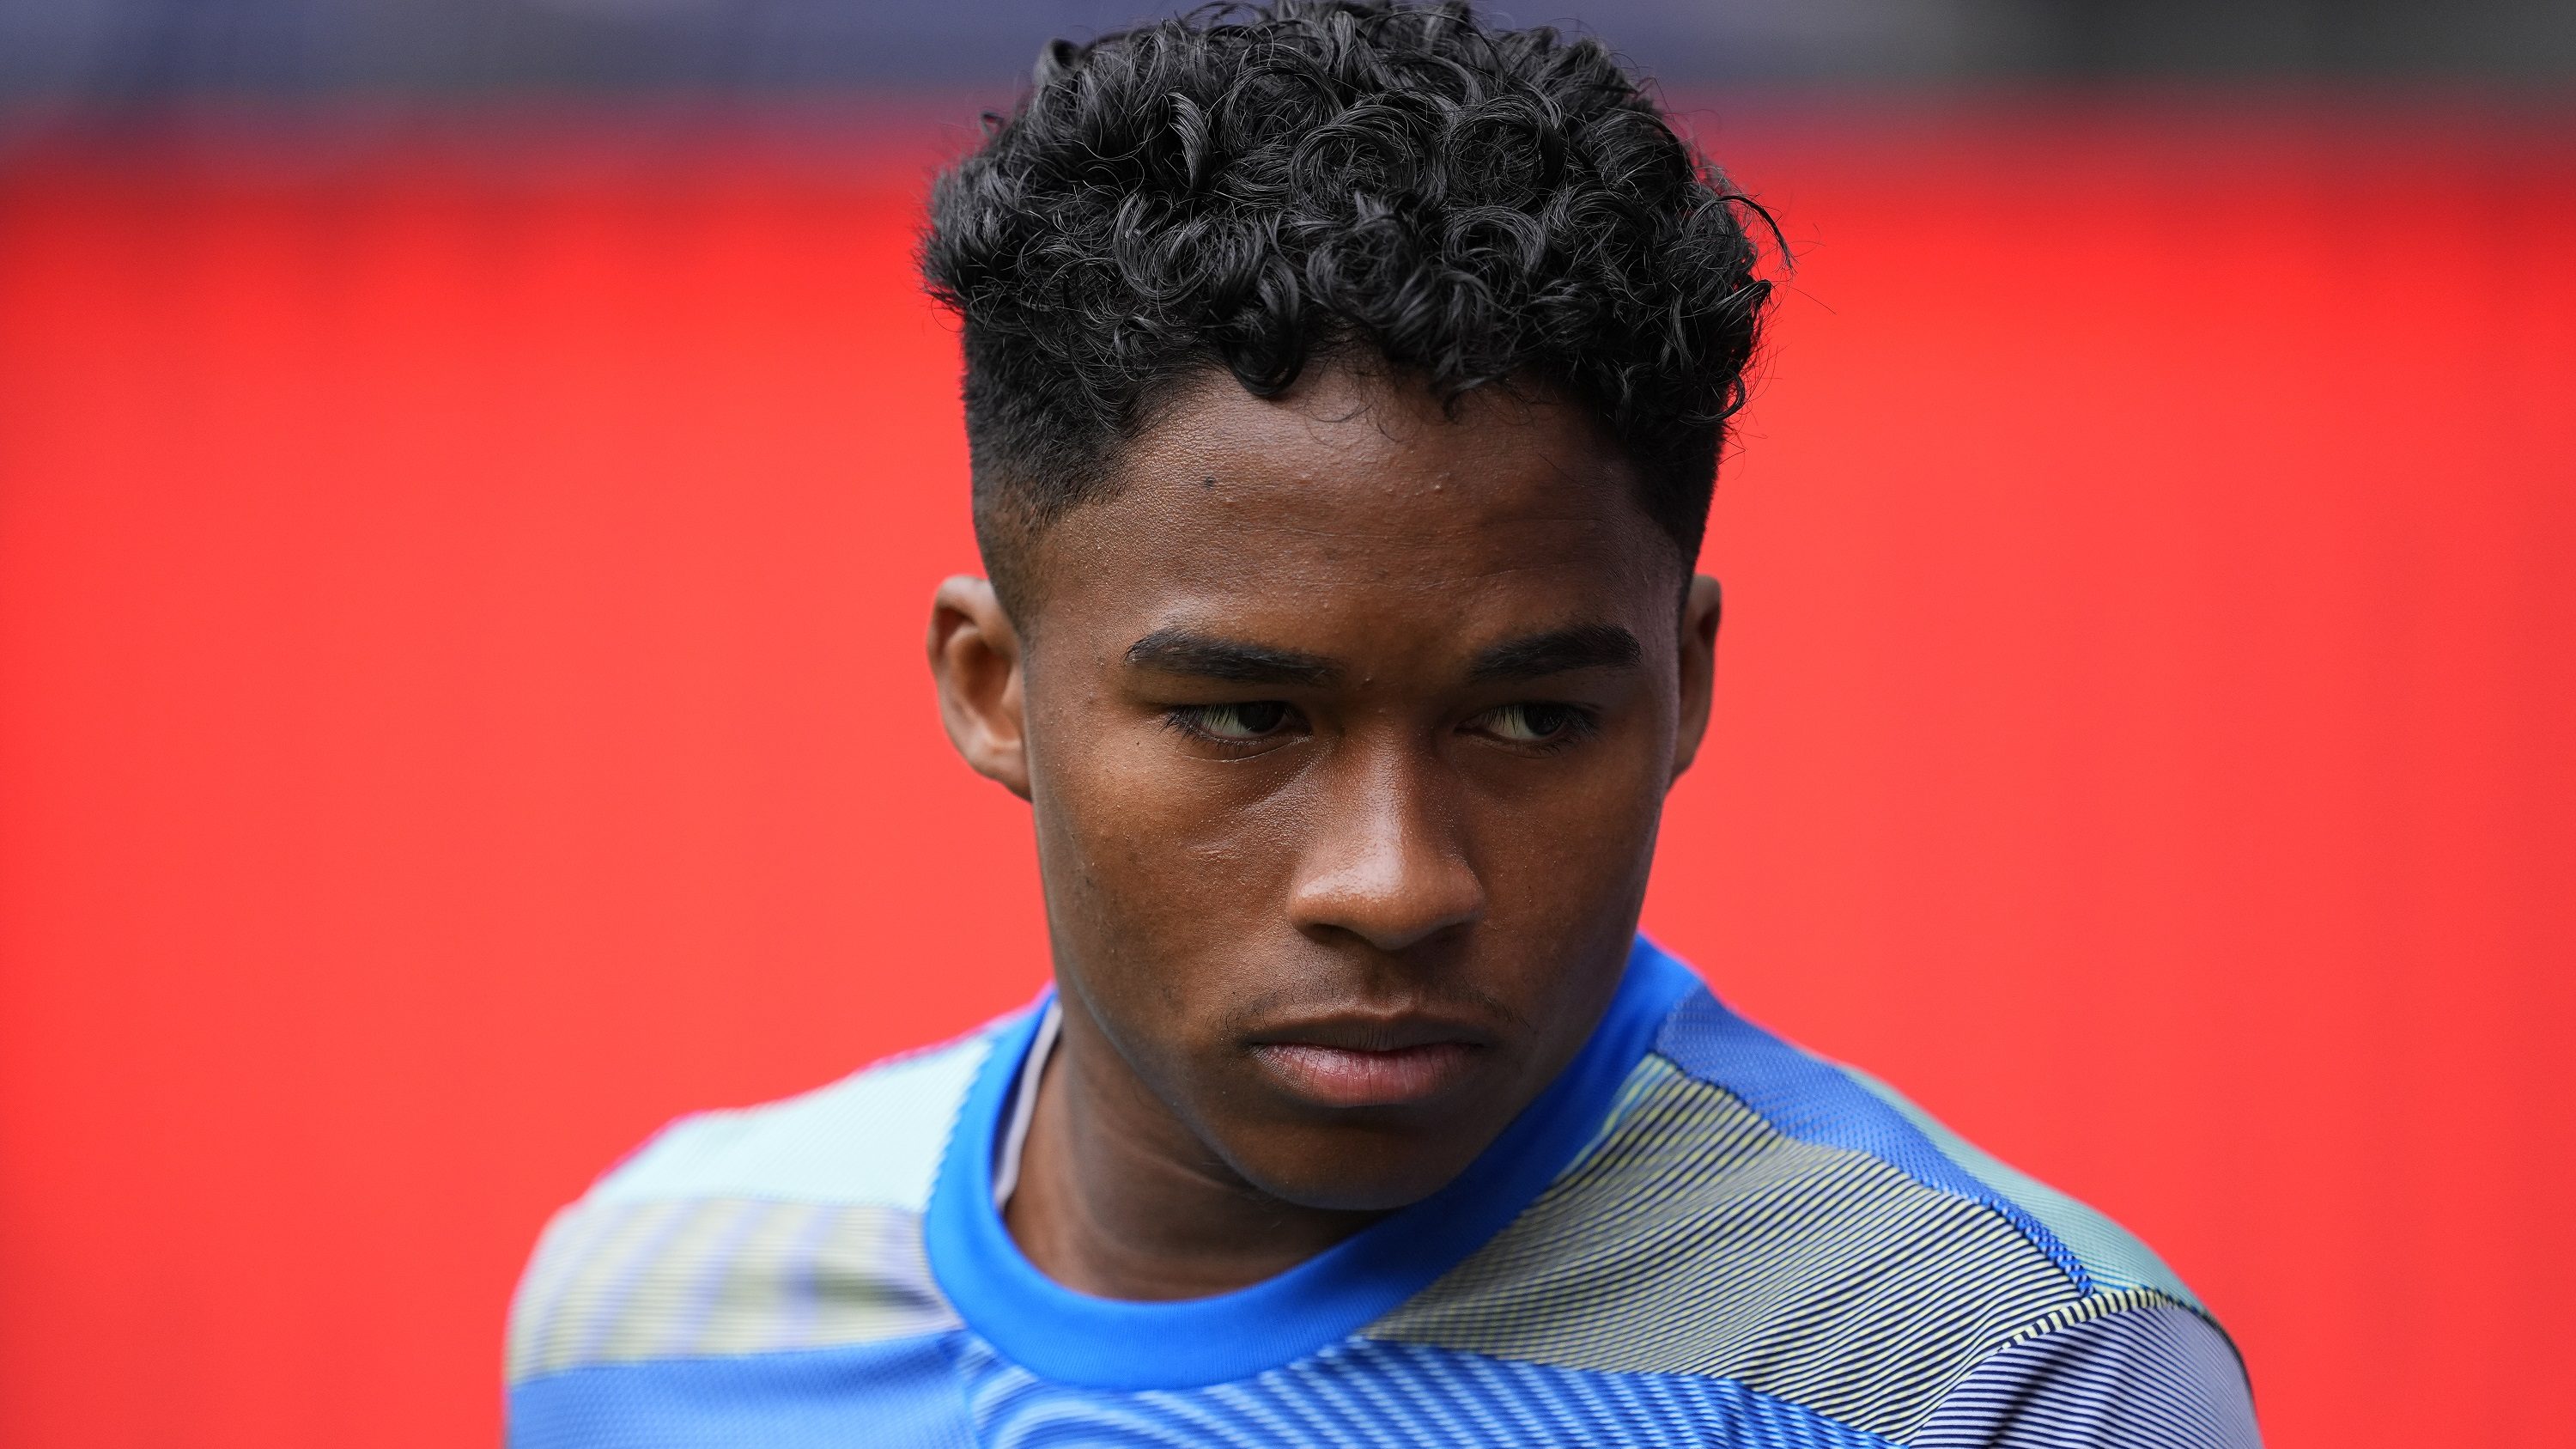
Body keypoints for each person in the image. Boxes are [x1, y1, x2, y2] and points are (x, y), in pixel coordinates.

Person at [502, 3, 2259, 1444]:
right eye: (1246, 716)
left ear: (1687, 683)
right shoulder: (655, 1319)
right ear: (994, 687)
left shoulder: (1991, 1377)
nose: (1394, 883)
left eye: (1532, 719)